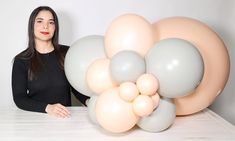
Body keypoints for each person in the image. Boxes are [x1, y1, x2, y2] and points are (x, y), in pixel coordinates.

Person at [12, 6, 89, 118]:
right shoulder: (21, 60)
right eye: (40, 21)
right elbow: (19, 98)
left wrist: (88, 101)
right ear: (31, 26)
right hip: (35, 119)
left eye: (51, 22)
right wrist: (48, 108)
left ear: (55, 27)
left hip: (65, 117)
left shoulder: (67, 53)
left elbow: (76, 87)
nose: (45, 26)